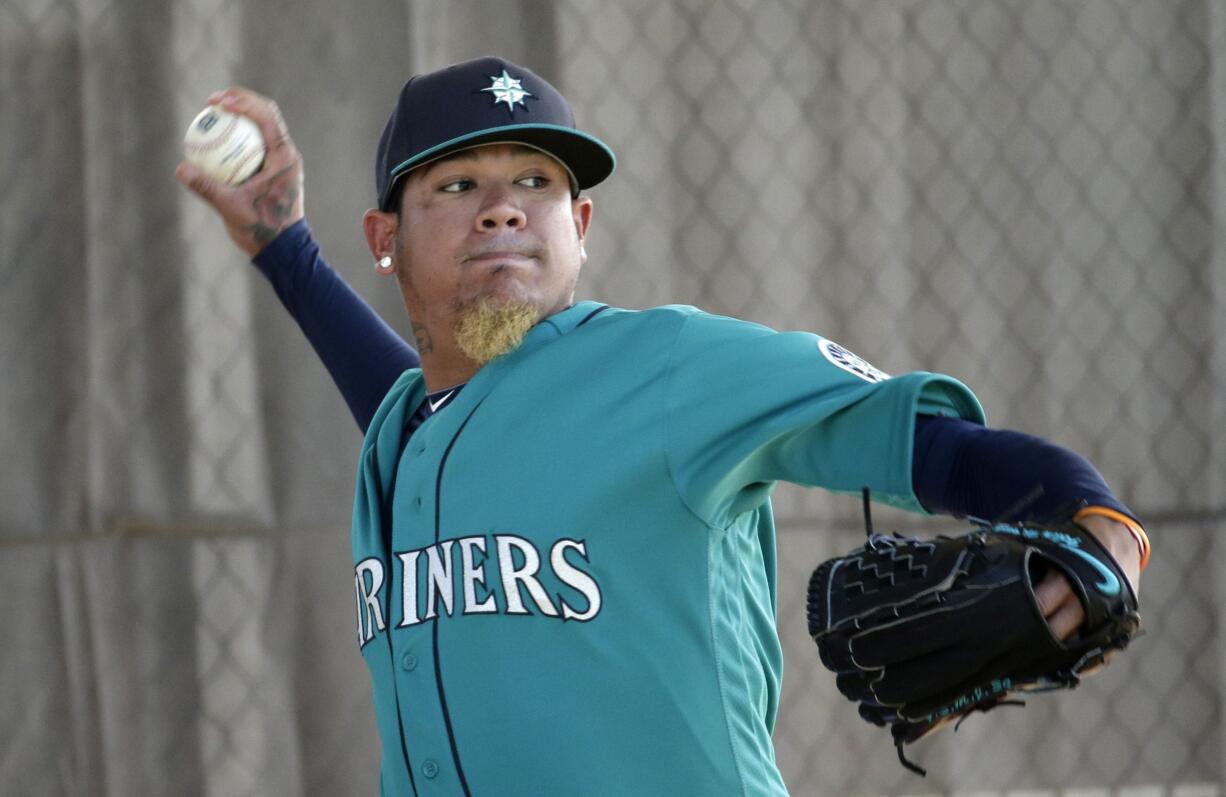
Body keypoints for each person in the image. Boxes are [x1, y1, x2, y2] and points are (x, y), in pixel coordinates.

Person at [176, 56, 1150, 797]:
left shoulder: (674, 368)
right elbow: (428, 396)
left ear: (581, 225)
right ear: (383, 238)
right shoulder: (409, 426)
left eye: (535, 182)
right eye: (456, 184)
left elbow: (924, 444)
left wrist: (1096, 527)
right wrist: (281, 245)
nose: (502, 209)